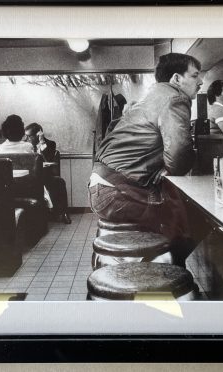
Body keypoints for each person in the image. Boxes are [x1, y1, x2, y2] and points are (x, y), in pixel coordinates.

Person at [89, 52, 202, 264]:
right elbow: (178, 159)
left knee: (180, 214)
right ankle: (161, 274)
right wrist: (175, 165)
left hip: (102, 188)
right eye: (195, 76)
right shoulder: (176, 98)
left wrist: (165, 167)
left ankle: (146, 268)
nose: (201, 81)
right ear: (176, 79)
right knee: (195, 217)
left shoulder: (149, 97)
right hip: (118, 194)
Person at [24, 122, 72, 224]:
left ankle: (64, 213)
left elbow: (48, 159)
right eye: (26, 136)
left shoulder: (50, 144)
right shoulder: (25, 145)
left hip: (45, 175)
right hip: (30, 177)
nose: (27, 139)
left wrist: (41, 142)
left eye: (29, 136)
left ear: (38, 134)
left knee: (60, 182)